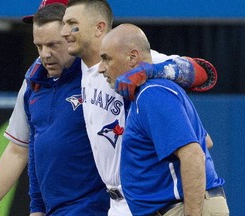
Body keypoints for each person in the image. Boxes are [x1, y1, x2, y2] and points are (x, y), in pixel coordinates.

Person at [61, 0, 218, 215]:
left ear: (99, 28)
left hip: (156, 198)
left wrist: (150, 70)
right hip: (119, 200)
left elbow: (204, 72)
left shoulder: (132, 61)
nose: (64, 32)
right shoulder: (84, 67)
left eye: (72, 24)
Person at [0, 1, 109, 216]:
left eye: (54, 44)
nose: (45, 54)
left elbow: (146, 59)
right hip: (53, 209)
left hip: (96, 206)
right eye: (39, 46)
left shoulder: (103, 69)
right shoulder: (33, 81)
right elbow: (24, 149)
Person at [98, 23, 229, 216]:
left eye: (106, 59)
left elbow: (193, 154)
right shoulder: (150, 92)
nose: (101, 68)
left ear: (132, 57)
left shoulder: (152, 93)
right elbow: (205, 141)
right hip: (177, 206)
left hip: (181, 207)